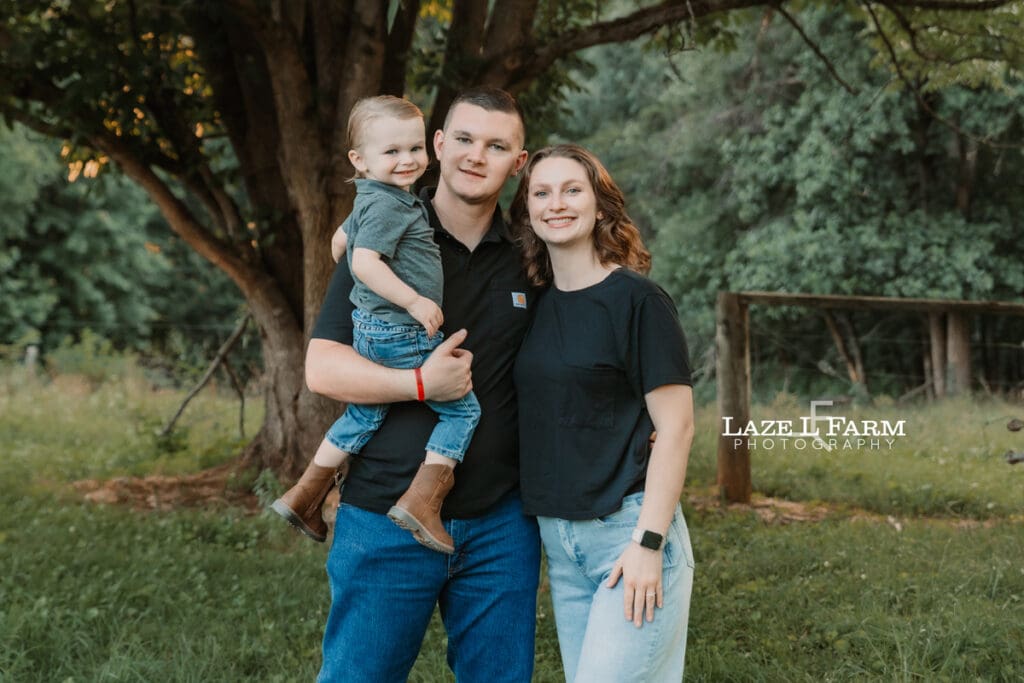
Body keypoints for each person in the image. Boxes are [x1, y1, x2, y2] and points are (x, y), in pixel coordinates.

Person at [305, 88, 539, 682]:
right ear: (438, 145)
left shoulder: (531, 259)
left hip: (500, 524)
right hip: (381, 516)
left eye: (496, 145)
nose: (475, 156)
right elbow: (323, 369)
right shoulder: (382, 237)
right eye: (462, 138)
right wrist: (417, 381)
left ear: (519, 162)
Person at [510, 144, 696, 682]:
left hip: (628, 535)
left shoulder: (639, 302)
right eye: (541, 193)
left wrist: (648, 543)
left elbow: (677, 428)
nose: (556, 204)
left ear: (600, 205)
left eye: (572, 190)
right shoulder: (534, 304)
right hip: (560, 546)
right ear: (527, 211)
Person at [271, 95, 480, 554]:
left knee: (365, 413)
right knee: (464, 410)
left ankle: (306, 493)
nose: (407, 160)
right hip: (398, 328)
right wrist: (416, 301)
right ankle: (423, 501)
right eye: (392, 152)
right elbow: (365, 264)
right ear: (359, 160)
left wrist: (340, 234)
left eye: (414, 148)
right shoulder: (391, 206)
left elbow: (357, 227)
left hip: (374, 329)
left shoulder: (377, 193)